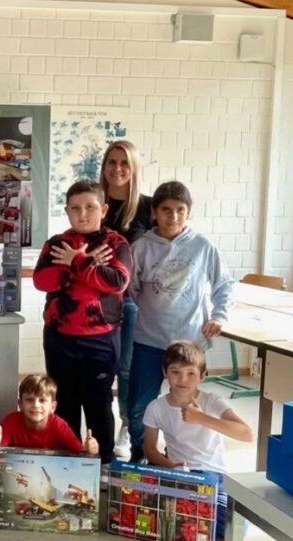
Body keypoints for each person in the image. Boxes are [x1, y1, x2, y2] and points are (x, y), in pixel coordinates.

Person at [127, 181, 234, 462]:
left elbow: (224, 284)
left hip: (189, 343)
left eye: (180, 210)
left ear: (189, 212)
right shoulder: (141, 248)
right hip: (149, 340)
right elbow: (133, 289)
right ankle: (142, 452)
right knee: (138, 404)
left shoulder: (203, 246)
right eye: (166, 210)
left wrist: (219, 315)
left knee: (186, 404)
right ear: (154, 212)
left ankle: (183, 454)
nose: (173, 217)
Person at [33, 180, 132, 467]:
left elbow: (116, 281)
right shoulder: (56, 243)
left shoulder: (115, 244)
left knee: (98, 404)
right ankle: (69, 462)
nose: (83, 214)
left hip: (100, 339)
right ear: (67, 212)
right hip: (60, 337)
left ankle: (102, 464)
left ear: (103, 209)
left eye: (90, 207)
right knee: (64, 403)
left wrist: (76, 261)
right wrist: (86, 264)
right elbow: (42, 280)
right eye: (75, 208)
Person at [143, 341, 253, 538]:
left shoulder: (211, 401)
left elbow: (246, 433)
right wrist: (171, 466)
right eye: (175, 371)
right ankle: (191, 516)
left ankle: (192, 516)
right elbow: (149, 449)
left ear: (203, 375)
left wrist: (201, 418)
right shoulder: (156, 407)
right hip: (178, 474)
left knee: (232, 526)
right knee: (142, 508)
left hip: (213, 475)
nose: (182, 379)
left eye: (191, 373)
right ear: (165, 372)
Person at [99, 140, 153, 459]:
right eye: (112, 162)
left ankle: (127, 426)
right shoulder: (93, 201)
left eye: (124, 163)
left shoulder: (147, 207)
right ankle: (101, 434)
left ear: (133, 169)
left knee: (127, 369)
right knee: (102, 368)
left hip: (131, 300)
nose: (117, 169)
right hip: (97, 300)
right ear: (104, 166)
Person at [0, 374, 99, 454]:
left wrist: (89, 450)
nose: (36, 405)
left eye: (42, 400)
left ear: (53, 407)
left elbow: (79, 453)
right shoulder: (11, 420)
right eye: (29, 400)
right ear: (20, 404)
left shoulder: (59, 425)